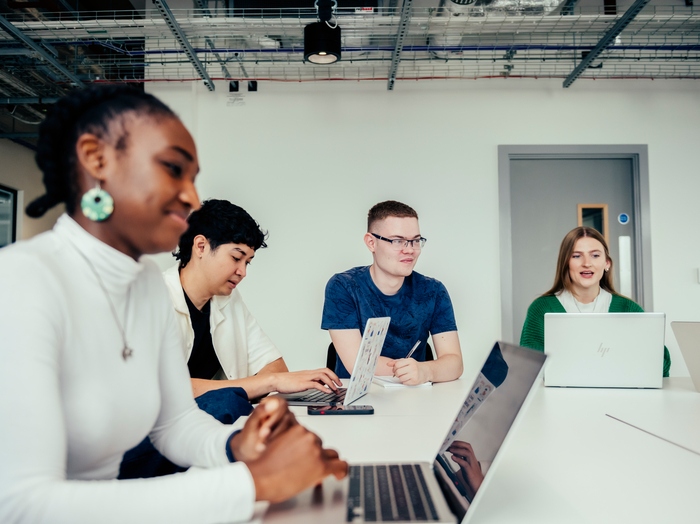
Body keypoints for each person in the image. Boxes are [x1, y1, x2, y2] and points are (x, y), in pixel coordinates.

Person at [0, 85, 346, 523]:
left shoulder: (143, 282)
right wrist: (251, 483)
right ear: (97, 160)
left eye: (193, 177)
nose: (192, 198)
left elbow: (174, 422)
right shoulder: (21, 280)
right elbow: (20, 506)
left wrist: (236, 445)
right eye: (172, 169)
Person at [167, 198, 342, 401]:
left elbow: (275, 367)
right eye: (236, 258)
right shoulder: (153, 300)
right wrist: (270, 382)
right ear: (200, 246)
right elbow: (169, 388)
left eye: (247, 262)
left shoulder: (228, 300)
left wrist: (271, 382)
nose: (242, 272)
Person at [321, 200, 463, 386]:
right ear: (371, 242)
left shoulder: (433, 291)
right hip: (361, 397)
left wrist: (424, 370)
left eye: (415, 241)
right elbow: (358, 365)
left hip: (415, 396)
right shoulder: (343, 286)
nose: (409, 250)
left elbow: (455, 362)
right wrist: (414, 371)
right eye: (398, 241)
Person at [519, 226, 671, 376]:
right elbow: (528, 369)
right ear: (565, 263)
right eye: (576, 256)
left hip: (618, 397)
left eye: (595, 255)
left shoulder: (628, 308)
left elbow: (661, 367)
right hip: (561, 398)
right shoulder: (541, 309)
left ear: (607, 264)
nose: (587, 263)